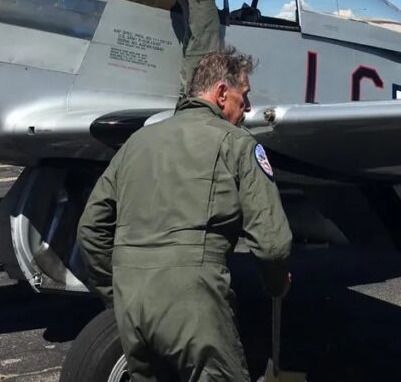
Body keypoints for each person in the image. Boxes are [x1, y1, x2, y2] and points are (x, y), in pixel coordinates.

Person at [77, 49, 292, 382]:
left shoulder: (136, 142)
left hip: (132, 304)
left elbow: (91, 229)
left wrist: (115, 292)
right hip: (193, 303)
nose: (247, 109)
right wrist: (277, 284)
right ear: (221, 93)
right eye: (243, 97)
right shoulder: (238, 144)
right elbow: (273, 244)